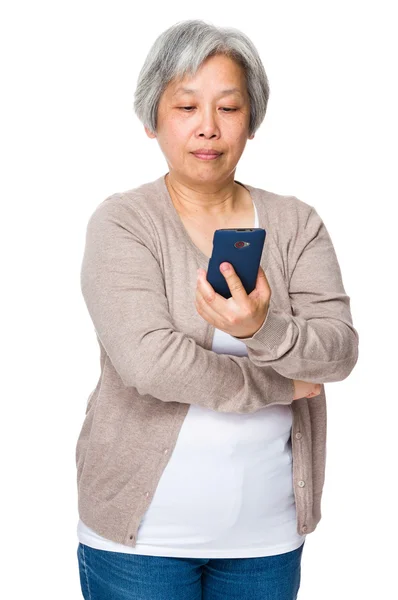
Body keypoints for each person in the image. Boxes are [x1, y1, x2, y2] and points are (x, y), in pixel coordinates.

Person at [76, 19, 359, 600]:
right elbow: (150, 363)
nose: (208, 127)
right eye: (186, 106)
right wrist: (283, 384)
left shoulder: (295, 223)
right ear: (152, 119)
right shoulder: (124, 222)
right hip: (141, 544)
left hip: (265, 541)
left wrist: (261, 327)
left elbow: (337, 349)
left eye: (228, 107)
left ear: (251, 120)